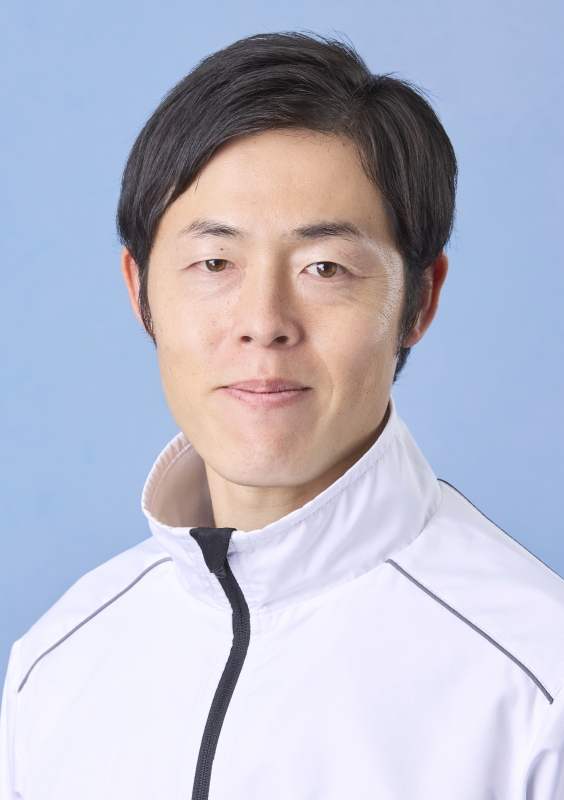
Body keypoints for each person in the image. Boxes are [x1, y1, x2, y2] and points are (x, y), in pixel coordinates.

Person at [1, 31, 563, 800]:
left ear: (419, 301)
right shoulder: (54, 669)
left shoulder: (538, 688)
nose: (263, 322)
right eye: (214, 263)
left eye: (324, 268)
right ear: (139, 290)